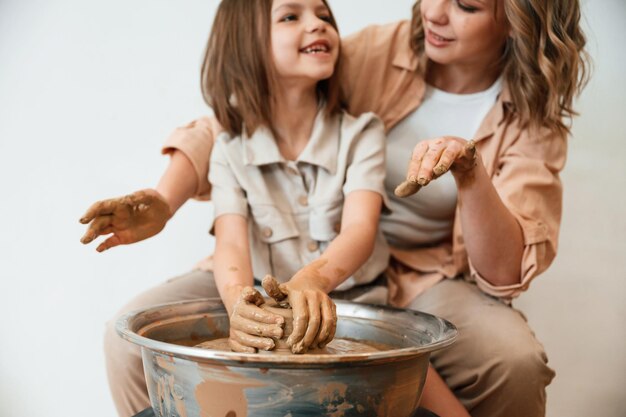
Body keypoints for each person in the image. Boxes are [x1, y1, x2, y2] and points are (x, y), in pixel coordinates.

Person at [80, 0, 590, 416]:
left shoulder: (529, 119)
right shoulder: (365, 51)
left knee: (512, 363)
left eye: (465, 5)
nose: (433, 13)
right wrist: (166, 199)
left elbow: (498, 267)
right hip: (269, 268)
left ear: (518, 19)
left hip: (409, 274)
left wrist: (469, 172)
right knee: (130, 338)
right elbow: (240, 113)